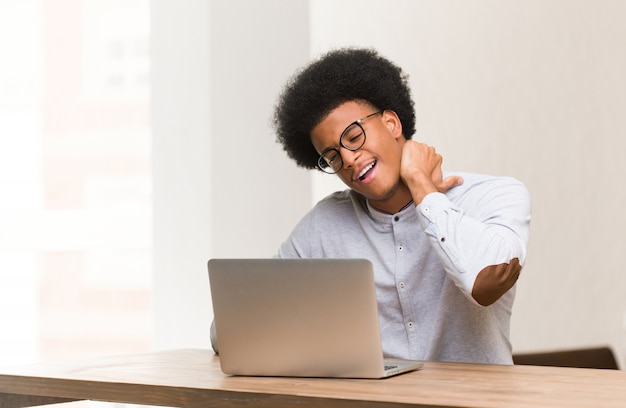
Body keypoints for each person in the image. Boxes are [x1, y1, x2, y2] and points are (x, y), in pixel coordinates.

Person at [270, 48, 531, 365]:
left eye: (353, 136)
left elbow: (483, 284)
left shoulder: (493, 195)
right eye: (332, 156)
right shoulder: (324, 224)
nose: (348, 159)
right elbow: (236, 328)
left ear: (392, 123)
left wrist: (423, 187)